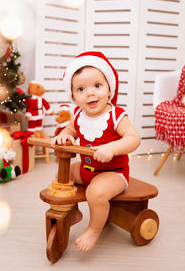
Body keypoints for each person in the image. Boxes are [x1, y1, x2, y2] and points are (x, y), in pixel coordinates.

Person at [51, 51, 141, 252]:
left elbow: (134, 139)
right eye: (81, 89)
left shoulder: (116, 115)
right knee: (62, 175)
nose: (90, 93)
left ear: (109, 90)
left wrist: (112, 147)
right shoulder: (78, 114)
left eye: (97, 86)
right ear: (73, 96)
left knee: (96, 193)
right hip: (86, 169)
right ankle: (73, 211)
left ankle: (93, 229)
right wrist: (64, 135)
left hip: (113, 173)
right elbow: (71, 130)